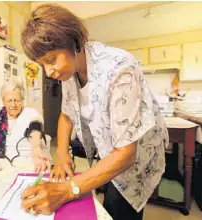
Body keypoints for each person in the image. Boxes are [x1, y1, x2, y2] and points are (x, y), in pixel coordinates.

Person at [20, 4, 168, 220]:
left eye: (51, 60)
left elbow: (126, 154)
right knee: (104, 190)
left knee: (119, 207)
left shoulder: (120, 69)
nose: (49, 72)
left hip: (135, 159)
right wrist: (61, 156)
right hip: (111, 152)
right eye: (42, 64)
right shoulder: (68, 73)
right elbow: (66, 115)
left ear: (74, 42)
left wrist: (67, 189)